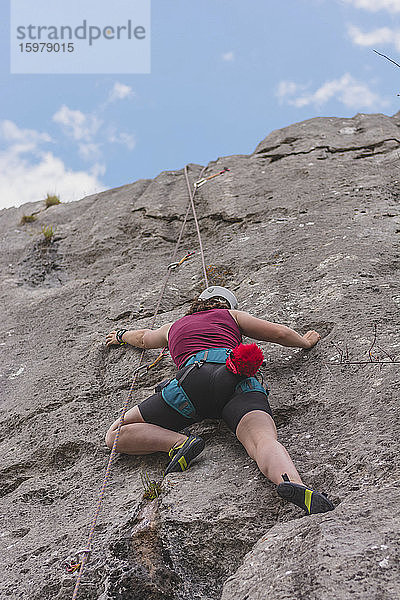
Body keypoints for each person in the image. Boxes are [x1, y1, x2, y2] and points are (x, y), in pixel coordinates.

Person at [105, 286, 334, 515]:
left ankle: (179, 444)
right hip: (237, 380)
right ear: (227, 305)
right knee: (262, 440)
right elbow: (278, 334)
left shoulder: (172, 327)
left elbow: (144, 338)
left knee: (116, 434)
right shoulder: (231, 316)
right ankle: (293, 482)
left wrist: (121, 335)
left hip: (191, 385)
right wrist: (304, 341)